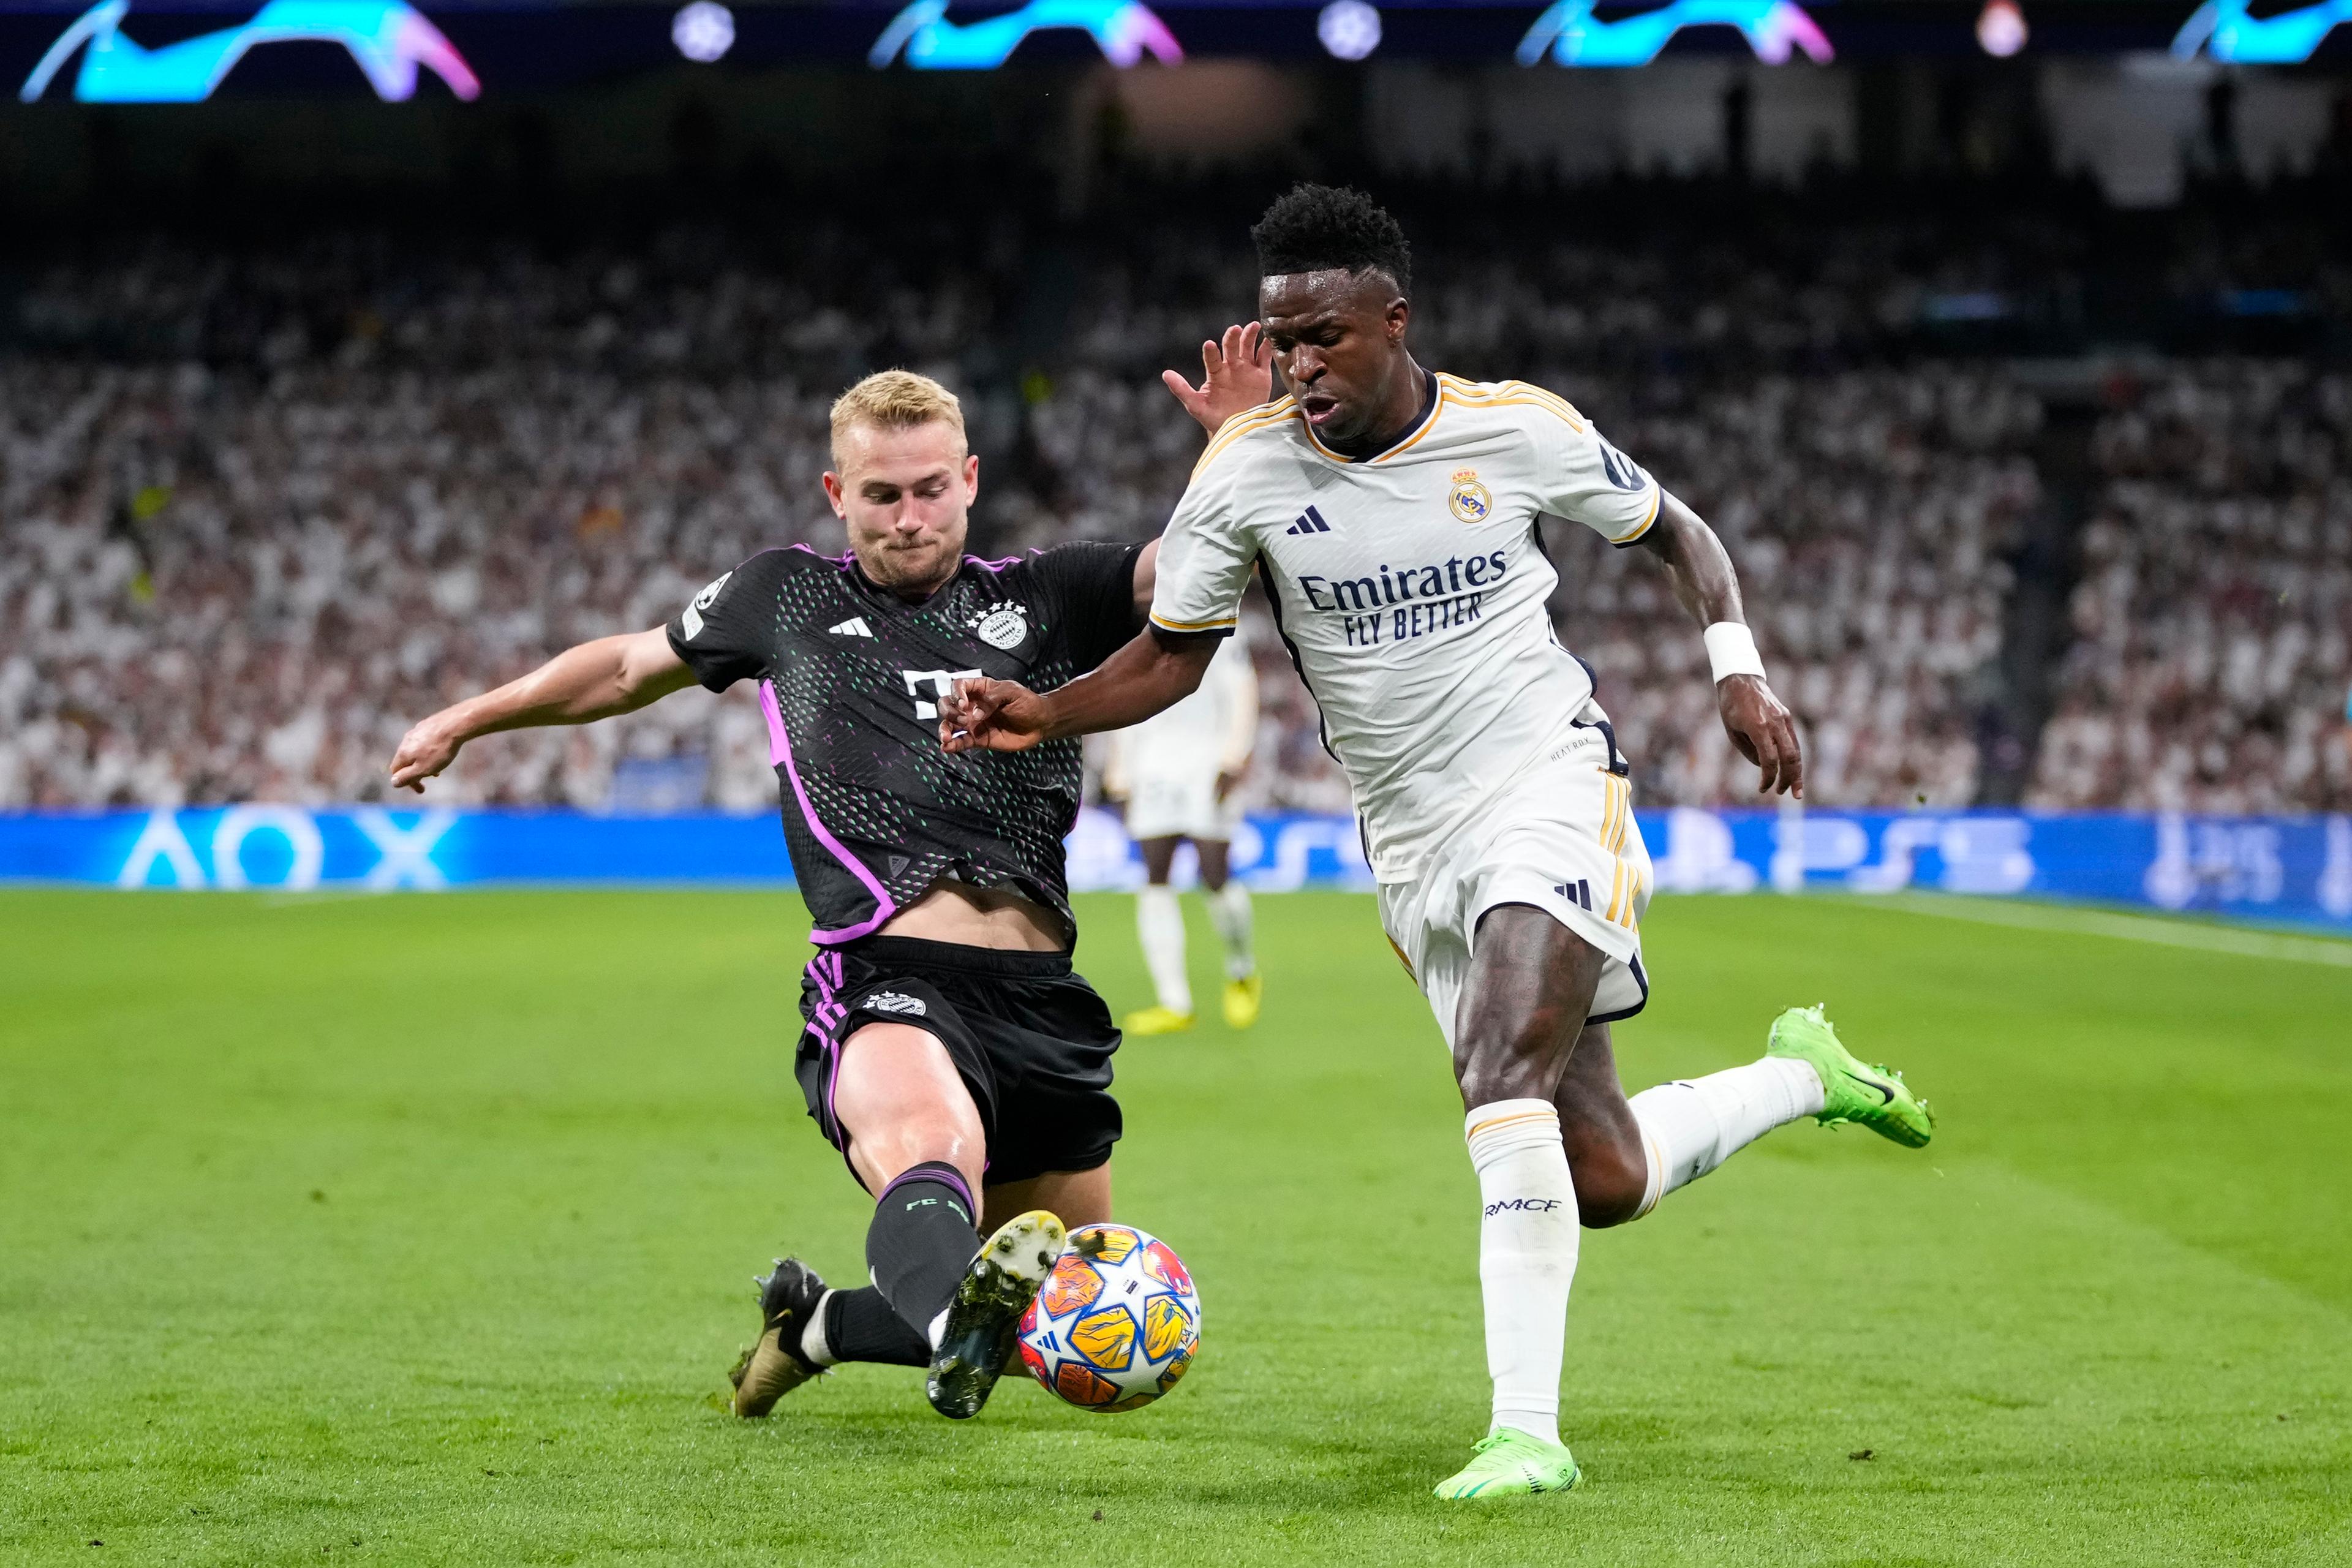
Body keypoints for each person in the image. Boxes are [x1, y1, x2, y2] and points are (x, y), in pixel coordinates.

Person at [940, 186, 1937, 1497]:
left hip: (1547, 777)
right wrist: (1047, 709)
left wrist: (1735, 670)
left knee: (1499, 1068)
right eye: (1280, 342)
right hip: (1408, 841)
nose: (1301, 367)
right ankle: (1803, 1073)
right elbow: (1170, 658)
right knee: (1601, 1175)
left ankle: (1527, 1431)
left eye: (1328, 338)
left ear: (1394, 321)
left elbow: (1681, 532)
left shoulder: (1515, 431)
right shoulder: (1245, 472)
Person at [387, 368, 1248, 1423]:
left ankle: (816, 1325)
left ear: (971, 480)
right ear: (837, 495)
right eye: (880, 495)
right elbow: (622, 670)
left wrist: (1237, 447)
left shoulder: (1051, 593)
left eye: (931, 488)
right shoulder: (783, 597)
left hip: (1042, 998)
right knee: (934, 1156)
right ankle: (932, 1316)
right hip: (886, 971)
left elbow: (1193, 569)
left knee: (1049, 1300)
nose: (909, 516)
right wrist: (467, 719)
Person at [1101, 630, 1262, 1035]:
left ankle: (1242, 969)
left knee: (1215, 876)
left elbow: (1243, 692)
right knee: (1155, 879)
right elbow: (1129, 700)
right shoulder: (1138, 631)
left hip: (1207, 765)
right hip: (1152, 769)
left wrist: (1235, 756)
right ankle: (1173, 1001)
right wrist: (1119, 773)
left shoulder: (1223, 634)